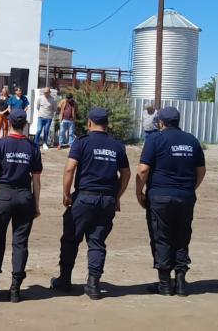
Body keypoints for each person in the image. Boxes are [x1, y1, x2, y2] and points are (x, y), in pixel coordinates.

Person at [50, 108, 130, 300]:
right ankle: (93, 285)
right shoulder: (117, 145)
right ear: (107, 124)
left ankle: (65, 280)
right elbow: (126, 173)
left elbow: (69, 169)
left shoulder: (82, 142)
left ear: (89, 123)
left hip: (85, 197)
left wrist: (66, 194)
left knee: (71, 239)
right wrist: (117, 196)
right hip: (107, 200)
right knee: (97, 241)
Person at [135, 106, 206, 296]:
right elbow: (201, 170)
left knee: (162, 237)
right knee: (182, 237)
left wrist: (139, 192)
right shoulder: (191, 140)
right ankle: (181, 283)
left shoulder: (155, 139)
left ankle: (165, 284)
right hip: (185, 197)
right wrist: (190, 188)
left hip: (160, 196)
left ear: (161, 122)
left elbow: (143, 170)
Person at [0, 109, 42, 303]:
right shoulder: (33, 147)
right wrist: (36, 204)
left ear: (9, 123)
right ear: (24, 125)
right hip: (24, 196)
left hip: (4, 196)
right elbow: (36, 180)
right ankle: (15, 288)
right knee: (20, 243)